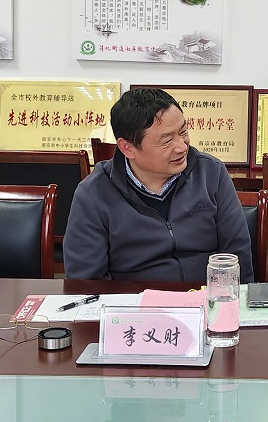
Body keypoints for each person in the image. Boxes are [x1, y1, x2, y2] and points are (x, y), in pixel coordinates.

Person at [63, 87, 254, 282]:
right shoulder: (93, 194)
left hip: (206, 295)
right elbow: (85, 282)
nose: (182, 147)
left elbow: (237, 253)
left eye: (183, 132)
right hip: (136, 299)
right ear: (127, 148)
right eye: (167, 140)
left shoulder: (211, 173)